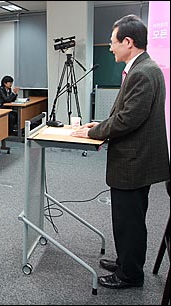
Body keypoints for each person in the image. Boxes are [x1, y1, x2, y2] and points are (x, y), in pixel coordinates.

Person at [71, 14, 169, 290]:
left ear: (128, 41)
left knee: (130, 220)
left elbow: (127, 119)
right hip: (137, 159)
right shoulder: (143, 68)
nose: (110, 47)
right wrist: (99, 125)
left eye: (113, 42)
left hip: (134, 161)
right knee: (128, 218)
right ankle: (127, 261)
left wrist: (92, 132)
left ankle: (130, 274)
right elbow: (126, 114)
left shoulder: (142, 72)